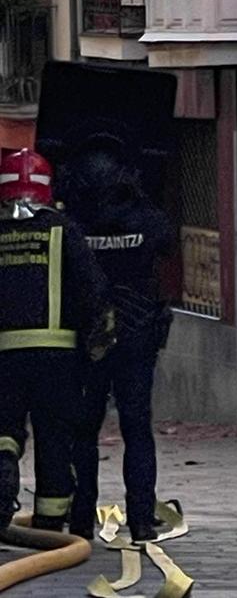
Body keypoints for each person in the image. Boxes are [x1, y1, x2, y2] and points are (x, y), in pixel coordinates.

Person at [59, 141, 175, 542]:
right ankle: (141, 517)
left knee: (83, 430)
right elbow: (167, 241)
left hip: (89, 339)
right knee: (137, 428)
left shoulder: (72, 222)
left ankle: (79, 518)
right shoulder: (145, 217)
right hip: (137, 335)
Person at [0, 149, 113, 532]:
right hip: (58, 359)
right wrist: (96, 346)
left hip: (4, 359)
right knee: (54, 439)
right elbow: (93, 290)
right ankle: (50, 523)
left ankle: (3, 473)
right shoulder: (65, 230)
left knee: (3, 431)